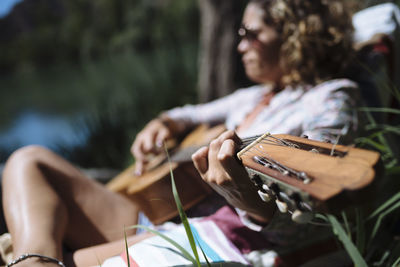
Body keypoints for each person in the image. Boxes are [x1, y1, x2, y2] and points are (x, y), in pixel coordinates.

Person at [1, 0, 359, 266]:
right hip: (159, 209)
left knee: (58, 258)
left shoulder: (330, 97)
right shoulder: (254, 96)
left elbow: (309, 213)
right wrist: (164, 124)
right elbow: (187, 114)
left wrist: (242, 193)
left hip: (218, 230)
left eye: (250, 34)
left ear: (295, 35)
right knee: (28, 160)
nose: (240, 46)